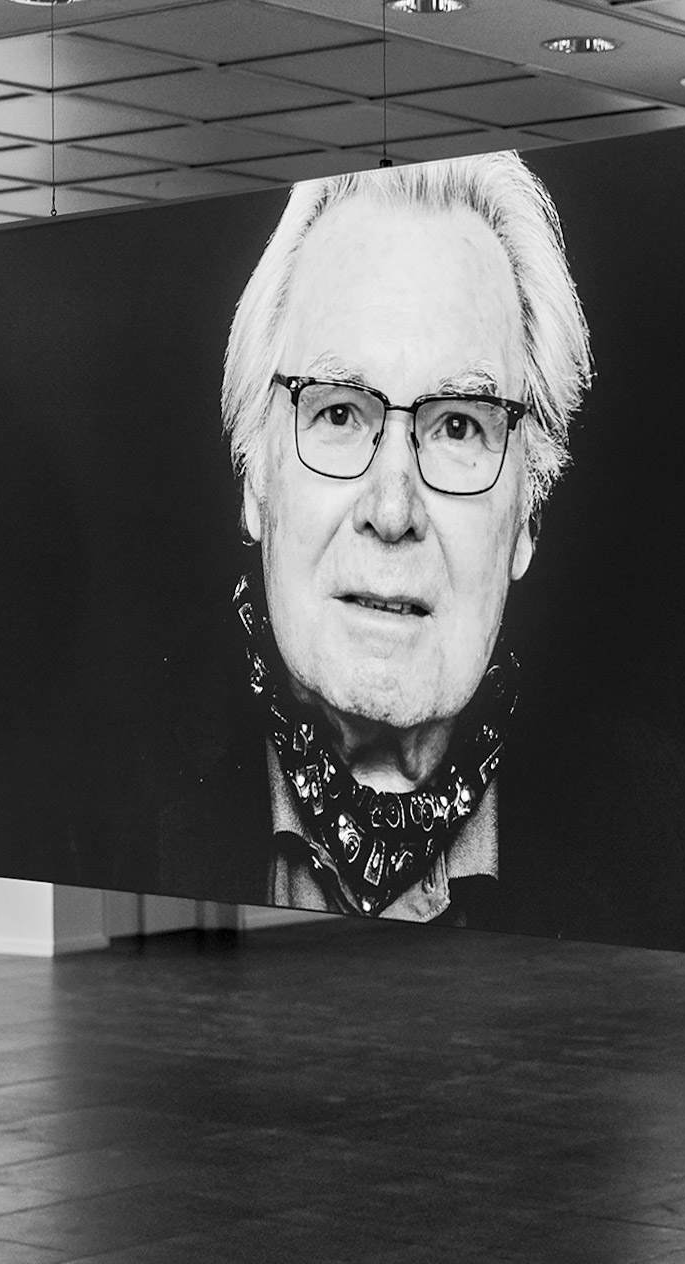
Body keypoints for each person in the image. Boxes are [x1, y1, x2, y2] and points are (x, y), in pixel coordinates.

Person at [216, 151, 592, 922]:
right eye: (338, 412)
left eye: (458, 426)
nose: (392, 510)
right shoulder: (97, 816)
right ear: (255, 477)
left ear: (528, 514)